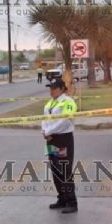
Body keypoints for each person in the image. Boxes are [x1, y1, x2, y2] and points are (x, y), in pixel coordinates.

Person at [42, 79, 78, 213]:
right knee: (55, 170)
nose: (51, 90)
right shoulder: (50, 103)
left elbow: (65, 120)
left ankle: (71, 202)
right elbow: (44, 120)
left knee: (64, 170)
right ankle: (62, 198)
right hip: (51, 139)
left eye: (54, 88)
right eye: (50, 88)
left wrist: (49, 131)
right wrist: (44, 131)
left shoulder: (68, 102)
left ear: (62, 89)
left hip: (63, 139)